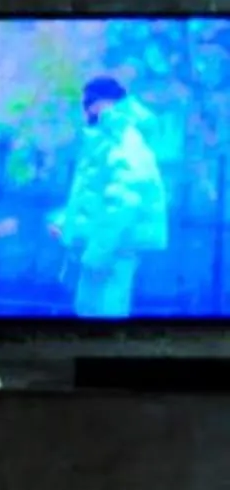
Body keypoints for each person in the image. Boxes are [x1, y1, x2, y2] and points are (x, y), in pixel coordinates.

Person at [51, 75, 168, 319]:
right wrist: (67, 224)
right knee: (90, 314)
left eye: (87, 104)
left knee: (104, 317)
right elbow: (94, 193)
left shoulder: (123, 138)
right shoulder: (108, 138)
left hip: (110, 251)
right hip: (101, 248)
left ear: (101, 104)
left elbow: (124, 201)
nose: (84, 112)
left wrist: (98, 252)